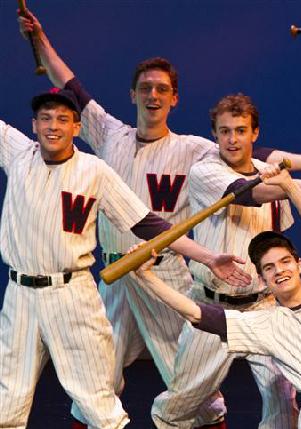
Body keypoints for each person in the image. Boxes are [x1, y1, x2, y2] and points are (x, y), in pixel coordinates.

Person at [18, 9, 301, 428]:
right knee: (98, 374)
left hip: (165, 270)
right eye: (145, 88)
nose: (153, 95)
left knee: (186, 383)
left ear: (175, 99)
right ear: (132, 94)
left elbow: (253, 154)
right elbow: (70, 86)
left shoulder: (193, 150)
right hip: (116, 276)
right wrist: (41, 41)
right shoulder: (109, 133)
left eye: (162, 89)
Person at [0, 88, 249, 429]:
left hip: (70, 293)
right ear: (34, 125)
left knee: (96, 397)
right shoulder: (18, 154)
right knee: (7, 397)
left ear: (76, 127)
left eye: (62, 119)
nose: (53, 126)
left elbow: (147, 224)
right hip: (19, 294)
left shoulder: (94, 171)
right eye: (45, 118)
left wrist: (207, 258)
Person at [131, 167, 301, 428]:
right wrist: (147, 277)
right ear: (262, 280)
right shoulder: (266, 324)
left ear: (300, 264)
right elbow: (196, 313)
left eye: (285, 261)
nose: (279, 270)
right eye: (269, 268)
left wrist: (289, 186)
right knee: (186, 394)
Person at [151, 94, 301, 428]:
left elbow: (276, 232)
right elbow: (247, 192)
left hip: (263, 306)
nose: (232, 139)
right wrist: (292, 186)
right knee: (178, 405)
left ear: (254, 133)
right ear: (214, 134)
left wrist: (290, 184)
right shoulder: (204, 171)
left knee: (282, 400)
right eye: (225, 131)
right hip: (213, 306)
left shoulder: (271, 174)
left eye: (241, 130)